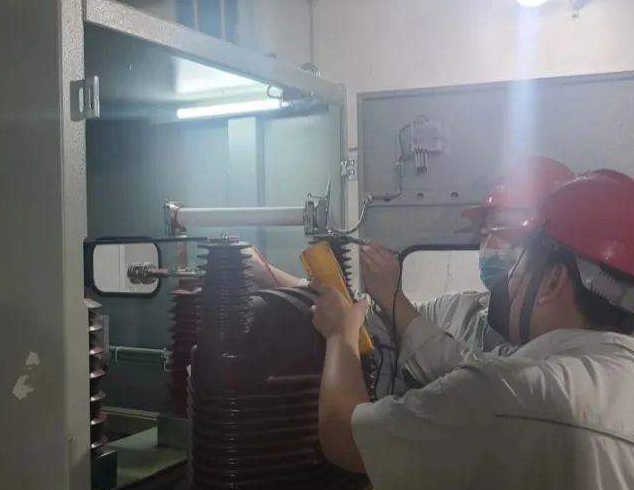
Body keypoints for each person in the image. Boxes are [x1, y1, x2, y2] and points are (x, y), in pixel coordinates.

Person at [310, 170, 634, 490]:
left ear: (552, 281)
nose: (511, 278)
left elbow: (343, 437)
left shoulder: (501, 394)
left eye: (521, 262)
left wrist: (340, 335)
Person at [246, 156, 575, 393]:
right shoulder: (461, 309)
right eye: (485, 231)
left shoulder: (567, 355)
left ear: (547, 249)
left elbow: (477, 378)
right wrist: (267, 274)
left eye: (502, 230)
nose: (487, 244)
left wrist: (395, 299)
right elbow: (359, 314)